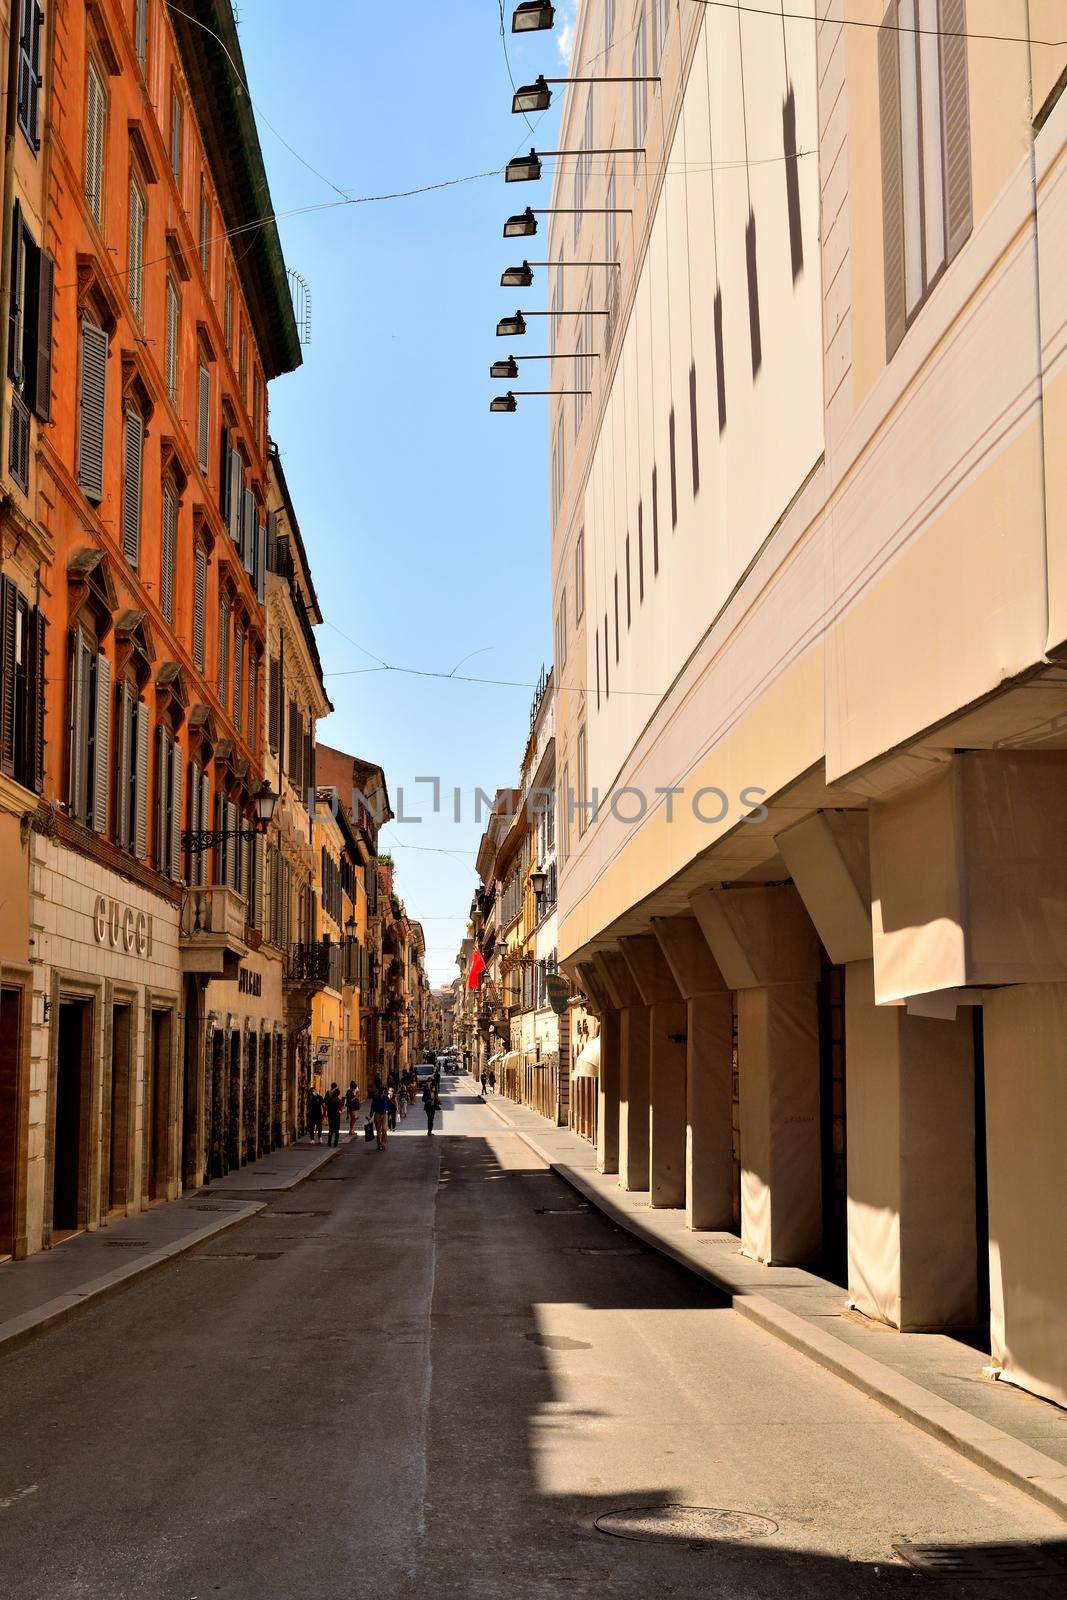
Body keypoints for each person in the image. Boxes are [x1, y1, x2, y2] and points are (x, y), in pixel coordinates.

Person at [370, 1083, 390, 1150]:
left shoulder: (386, 1097)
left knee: (384, 1129)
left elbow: (388, 1105)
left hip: (384, 1114)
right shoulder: (375, 1097)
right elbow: (372, 1107)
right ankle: (379, 1144)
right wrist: (371, 1116)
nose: (383, 1093)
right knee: (378, 1130)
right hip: (377, 1114)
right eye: (382, 1091)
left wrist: (389, 1113)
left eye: (384, 1091)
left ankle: (383, 1143)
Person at [325, 1083, 343, 1148]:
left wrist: (325, 1113)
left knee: (331, 1129)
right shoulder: (338, 1100)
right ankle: (335, 1143)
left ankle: (329, 1142)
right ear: (338, 1094)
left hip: (330, 1114)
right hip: (336, 1115)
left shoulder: (330, 1099)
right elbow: (341, 1109)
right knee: (337, 1130)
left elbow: (326, 1106)